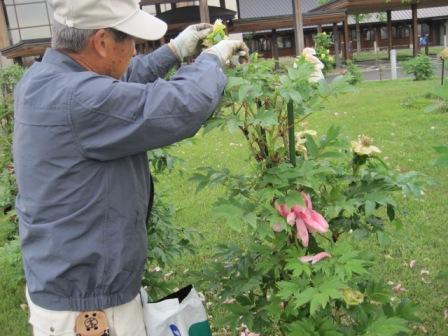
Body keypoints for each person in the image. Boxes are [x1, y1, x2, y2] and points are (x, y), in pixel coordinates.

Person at [12, 0, 249, 335]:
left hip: (68, 282)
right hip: (90, 307)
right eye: (132, 43)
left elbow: (111, 89)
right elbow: (181, 106)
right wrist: (212, 60)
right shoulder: (77, 98)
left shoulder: (45, 79)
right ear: (102, 42)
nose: (135, 51)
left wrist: (173, 52)